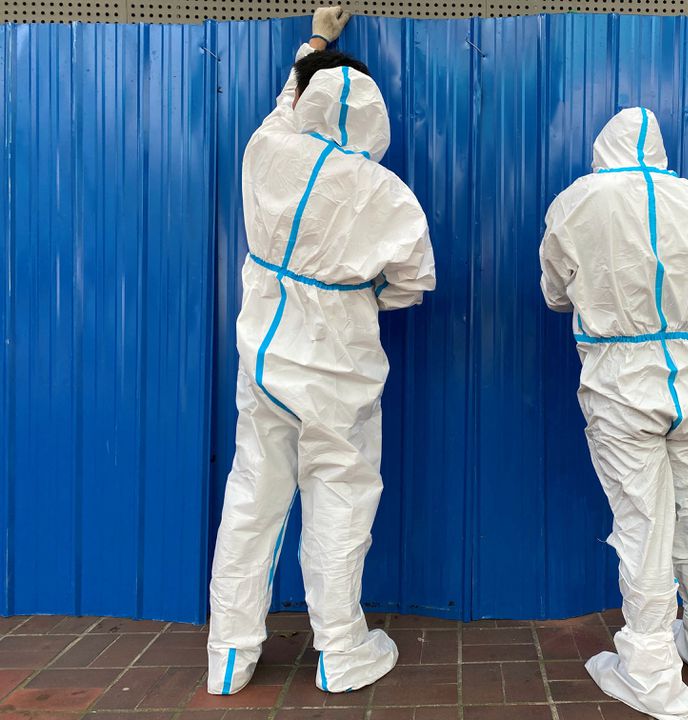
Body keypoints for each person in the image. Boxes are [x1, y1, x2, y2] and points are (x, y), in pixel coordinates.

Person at [207, 6, 436, 696]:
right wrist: (365, 292)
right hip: (340, 370)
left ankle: (229, 656)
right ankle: (341, 652)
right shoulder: (384, 193)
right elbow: (415, 280)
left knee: (253, 499)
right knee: (341, 500)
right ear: (374, 116)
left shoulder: (268, 147)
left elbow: (289, 103)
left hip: (266, 359)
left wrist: (315, 43)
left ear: (306, 101)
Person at [539, 107, 688, 720]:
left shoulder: (578, 201)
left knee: (643, 521)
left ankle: (651, 667)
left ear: (601, 147)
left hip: (622, 381)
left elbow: (557, 293)